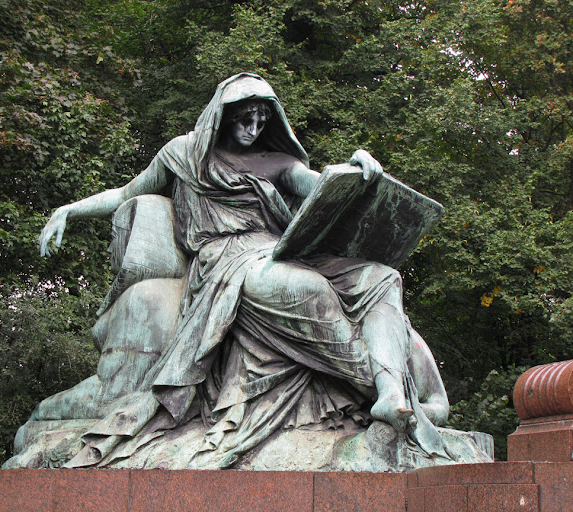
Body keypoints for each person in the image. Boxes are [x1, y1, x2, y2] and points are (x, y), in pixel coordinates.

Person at [38, 73, 450, 467]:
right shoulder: (183, 153)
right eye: (244, 119)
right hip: (227, 259)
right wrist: (68, 210)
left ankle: (391, 391)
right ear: (223, 114)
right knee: (305, 290)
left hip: (282, 249)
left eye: (261, 119)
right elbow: (128, 192)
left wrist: (357, 171)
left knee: (382, 277)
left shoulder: (278, 161)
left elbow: (318, 184)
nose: (253, 128)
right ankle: (390, 392)